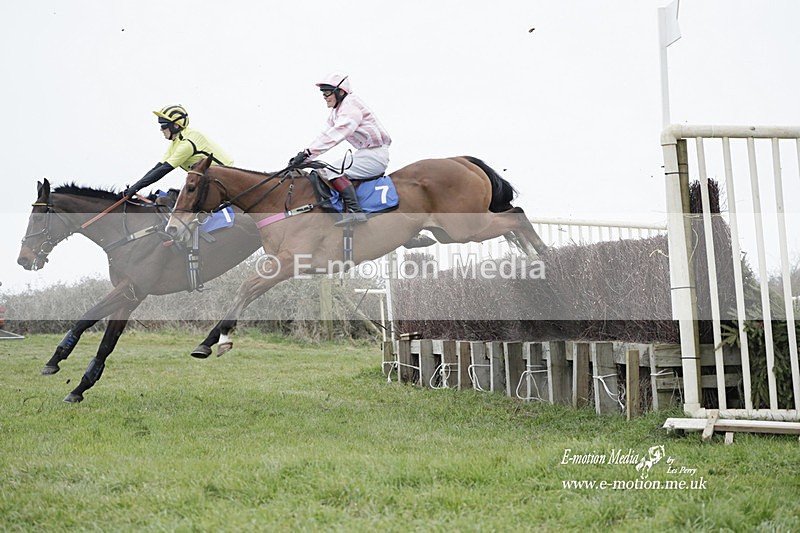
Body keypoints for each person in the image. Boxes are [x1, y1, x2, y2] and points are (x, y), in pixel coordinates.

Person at [288, 73, 392, 226]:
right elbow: (324, 135)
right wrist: (304, 156)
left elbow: (336, 135)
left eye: (327, 92)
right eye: (323, 93)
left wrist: (308, 154)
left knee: (332, 171)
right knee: (323, 171)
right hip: (365, 153)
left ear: (340, 92)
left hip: (375, 155)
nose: (325, 96)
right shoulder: (337, 112)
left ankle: (356, 212)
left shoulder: (350, 108)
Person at [124, 105, 233, 198]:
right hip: (207, 179)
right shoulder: (176, 142)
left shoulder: (187, 143)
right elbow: (158, 167)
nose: (161, 129)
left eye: (163, 125)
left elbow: (164, 170)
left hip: (223, 178)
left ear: (176, 125)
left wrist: (136, 188)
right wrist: (134, 187)